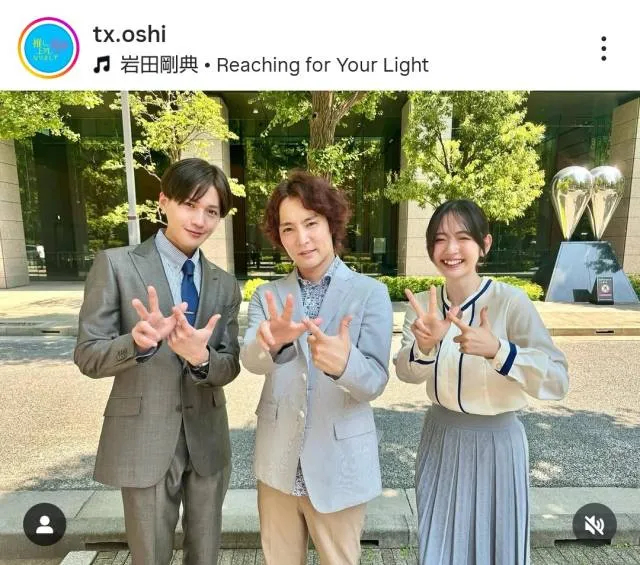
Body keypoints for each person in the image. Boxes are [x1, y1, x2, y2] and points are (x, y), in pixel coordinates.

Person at [74, 158, 241, 565]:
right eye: (190, 204)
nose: (200, 220)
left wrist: (202, 360)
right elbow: (88, 354)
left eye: (212, 211)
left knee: (206, 555)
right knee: (149, 555)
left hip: (207, 438)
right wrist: (136, 343)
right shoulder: (116, 265)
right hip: (143, 437)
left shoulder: (224, 284)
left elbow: (230, 363)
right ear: (164, 201)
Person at [394, 199, 569, 565]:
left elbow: (557, 379)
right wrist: (426, 346)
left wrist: (499, 351)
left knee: (497, 548)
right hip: (440, 438)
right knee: (439, 546)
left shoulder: (510, 302)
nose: (451, 249)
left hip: (498, 443)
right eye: (440, 239)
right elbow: (407, 373)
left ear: (484, 244)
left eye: (463, 237)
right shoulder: (424, 306)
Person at [241, 171, 393, 565]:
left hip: (339, 466)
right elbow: (250, 360)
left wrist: (346, 365)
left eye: (311, 223)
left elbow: (375, 381)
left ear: (331, 223)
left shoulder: (370, 293)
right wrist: (271, 344)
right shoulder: (267, 295)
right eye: (288, 228)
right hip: (278, 465)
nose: (302, 238)